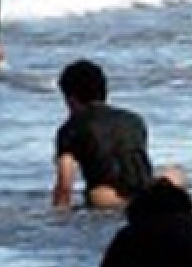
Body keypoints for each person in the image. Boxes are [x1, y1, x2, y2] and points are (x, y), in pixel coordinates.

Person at [53, 60, 184, 210]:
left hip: (109, 198)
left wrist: (59, 214)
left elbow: (65, 183)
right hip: (146, 192)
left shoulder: (71, 128)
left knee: (98, 194)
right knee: (174, 173)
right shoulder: (133, 119)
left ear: (70, 98)